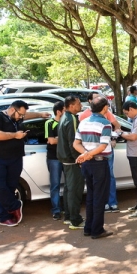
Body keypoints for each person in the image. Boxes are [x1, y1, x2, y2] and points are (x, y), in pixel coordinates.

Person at [0, 100, 50, 226]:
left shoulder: (17, 117)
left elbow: (27, 115)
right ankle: (15, 205)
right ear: (13, 109)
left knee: (10, 187)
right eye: (20, 114)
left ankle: (4, 218)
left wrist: (40, 114)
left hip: (15, 158)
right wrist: (15, 135)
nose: (21, 117)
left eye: (23, 115)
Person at [73, 96, 114, 239]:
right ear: (105, 108)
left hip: (87, 164)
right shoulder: (105, 123)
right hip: (99, 163)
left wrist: (86, 154)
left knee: (91, 196)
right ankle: (97, 230)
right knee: (99, 197)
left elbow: (76, 144)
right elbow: (103, 146)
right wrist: (88, 154)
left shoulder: (83, 122)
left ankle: (88, 228)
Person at [79, 91, 121, 213]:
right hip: (93, 157)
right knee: (94, 186)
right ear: (90, 101)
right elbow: (79, 140)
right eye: (96, 98)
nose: (99, 99)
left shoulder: (107, 115)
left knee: (109, 177)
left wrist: (113, 139)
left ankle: (111, 202)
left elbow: (117, 126)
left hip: (101, 155)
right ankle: (101, 207)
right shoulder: (83, 117)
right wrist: (87, 154)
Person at [57, 96, 85, 229]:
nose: (81, 105)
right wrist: (79, 159)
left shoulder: (64, 117)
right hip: (72, 160)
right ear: (72, 105)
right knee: (75, 190)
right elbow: (73, 142)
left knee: (69, 189)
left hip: (65, 159)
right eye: (79, 103)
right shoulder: (71, 119)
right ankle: (75, 220)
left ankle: (69, 217)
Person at [45, 101, 65, 220]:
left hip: (66, 157)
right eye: (65, 110)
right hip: (54, 158)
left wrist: (58, 139)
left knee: (69, 184)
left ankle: (67, 208)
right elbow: (51, 141)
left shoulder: (67, 122)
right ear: (58, 111)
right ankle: (56, 210)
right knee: (55, 185)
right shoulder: (50, 123)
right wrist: (64, 139)